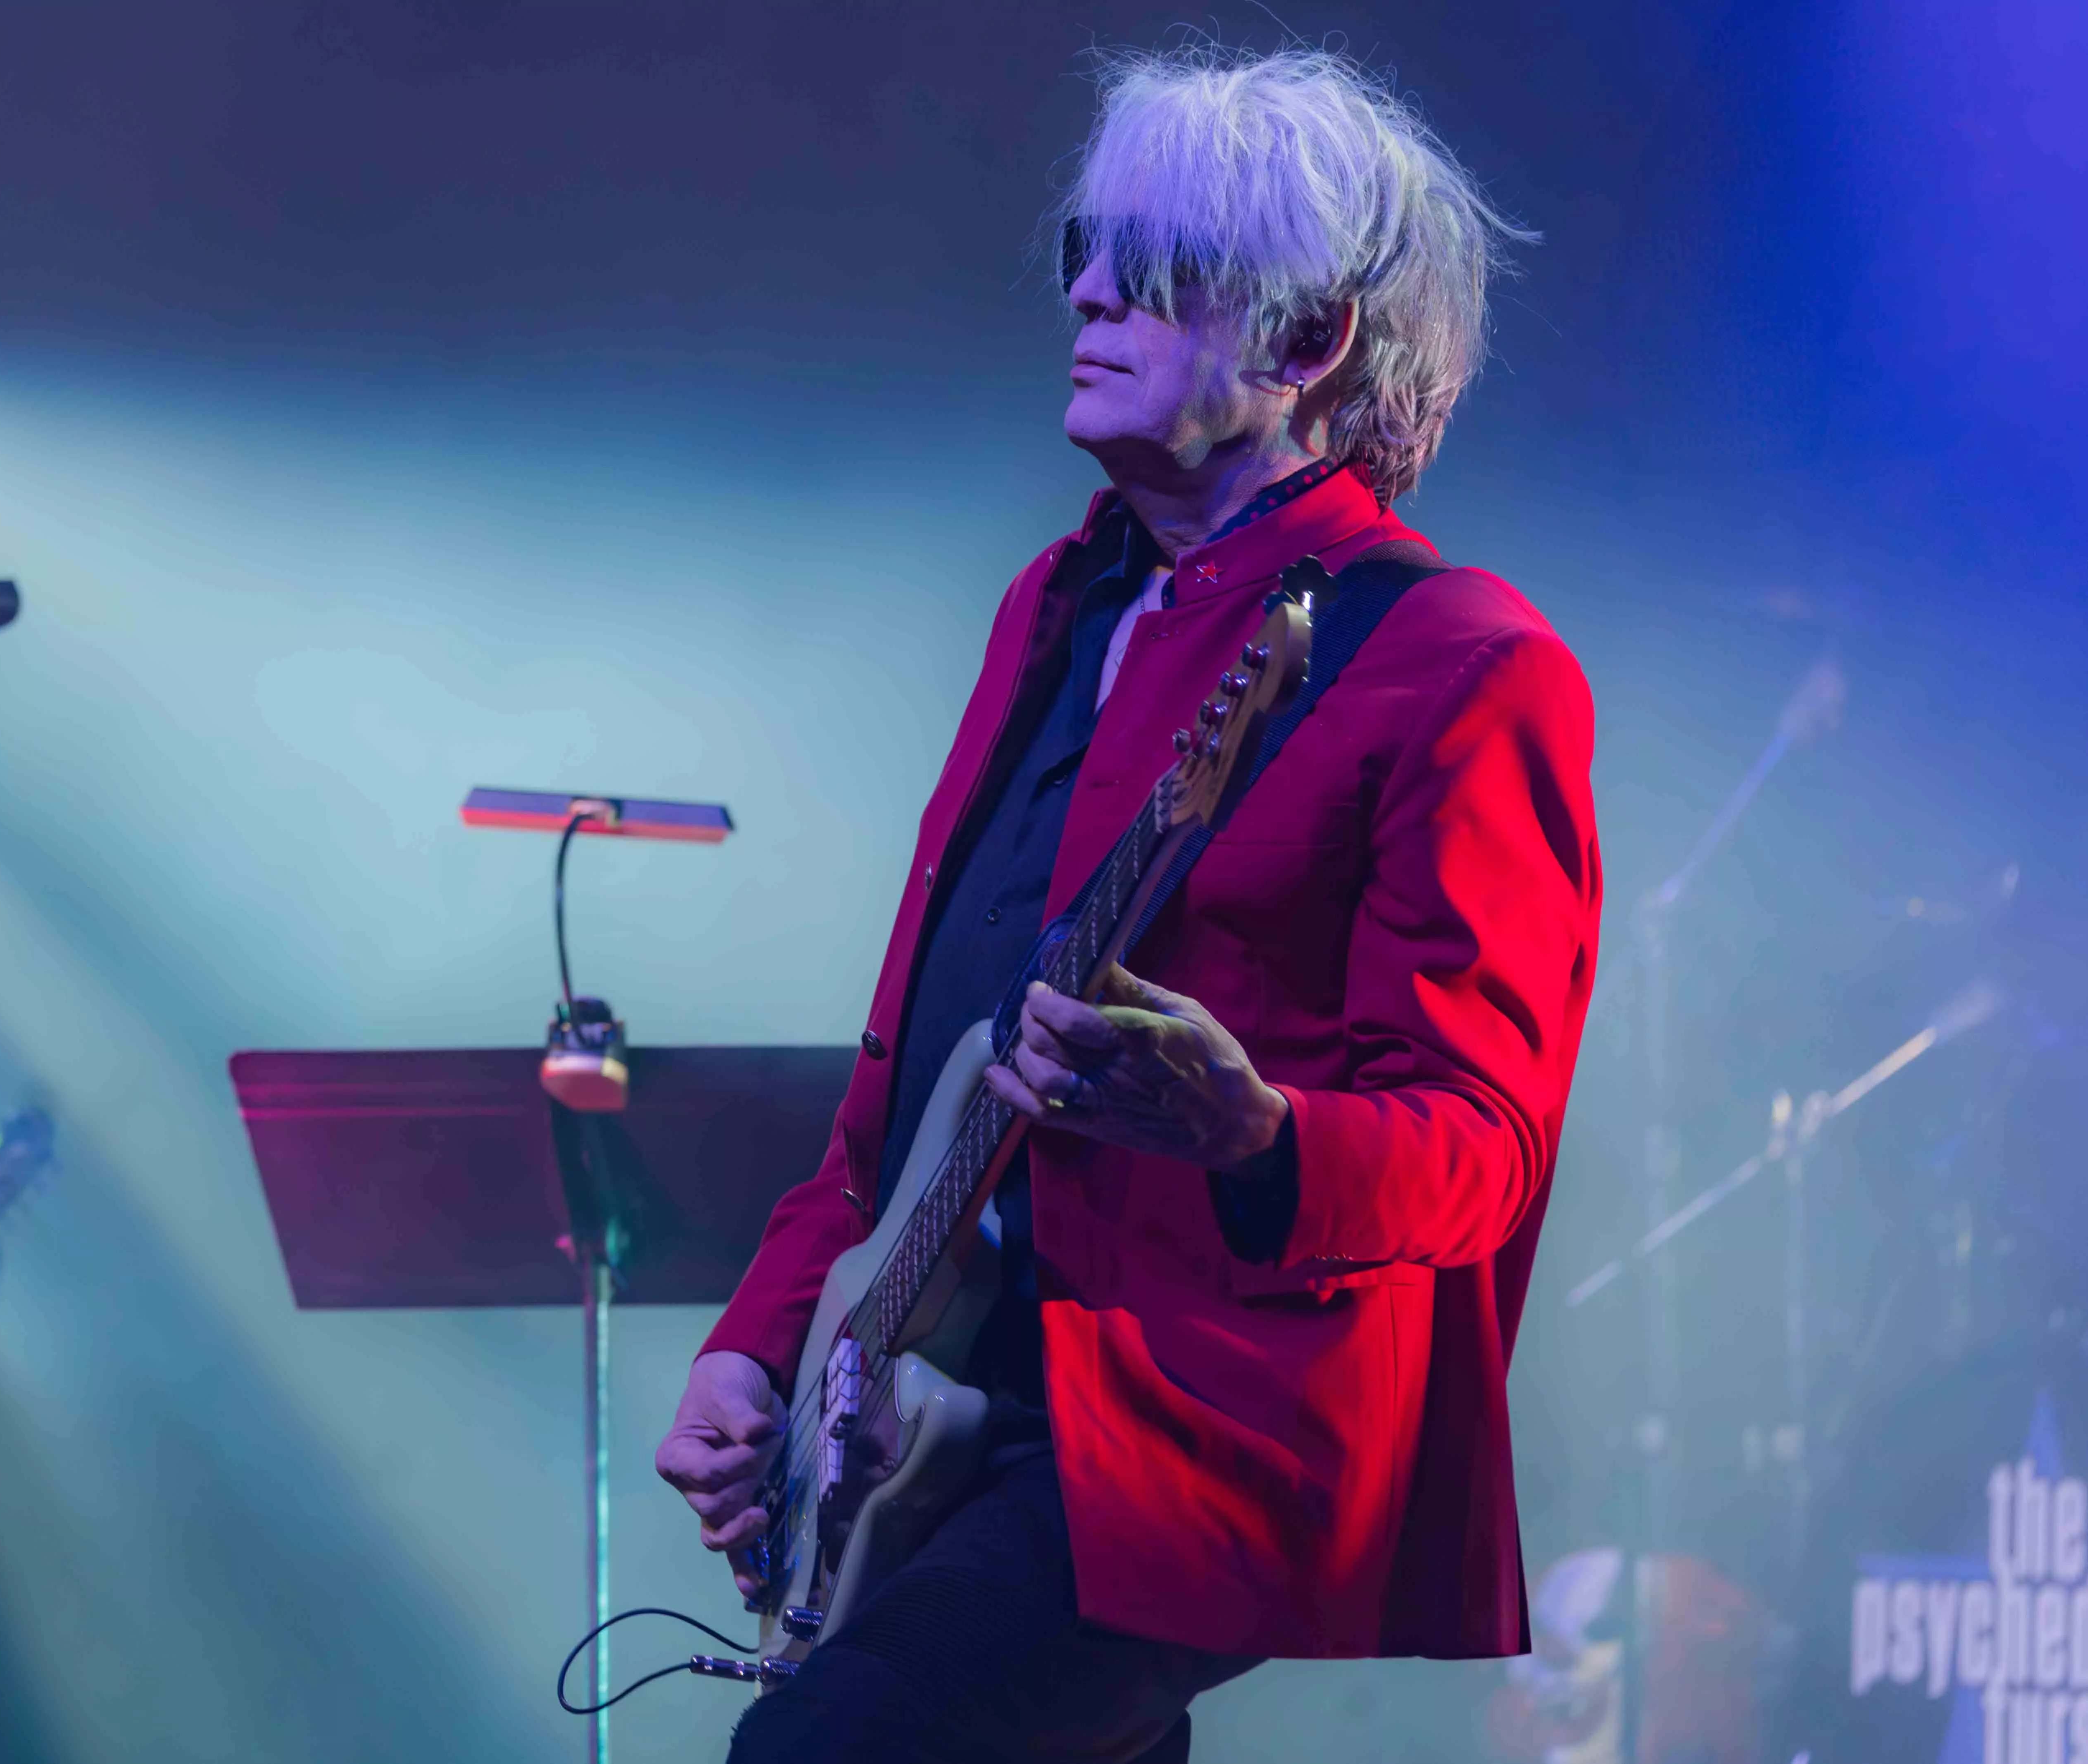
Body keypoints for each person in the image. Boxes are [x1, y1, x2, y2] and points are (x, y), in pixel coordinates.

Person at [656, 46, 1601, 1763]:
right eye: (1083, 251)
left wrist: (1255, 1134)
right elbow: (915, 1064)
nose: (1088, 291)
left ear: (1309, 345)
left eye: (1156, 269)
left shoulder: (1460, 662)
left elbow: (1483, 1144)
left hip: (1192, 1444)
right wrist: (764, 1346)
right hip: (949, 1409)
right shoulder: (1058, 601)